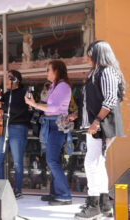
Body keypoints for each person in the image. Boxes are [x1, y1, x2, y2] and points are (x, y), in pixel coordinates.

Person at [69, 41, 125, 220]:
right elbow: (89, 102)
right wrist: (77, 114)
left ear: (98, 53)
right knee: (97, 163)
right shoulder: (95, 72)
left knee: (91, 163)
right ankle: (104, 205)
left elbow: (109, 99)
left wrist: (97, 121)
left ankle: (94, 205)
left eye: (90, 53)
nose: (87, 56)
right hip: (95, 124)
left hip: (102, 125)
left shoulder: (107, 71)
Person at [25, 60, 72, 206]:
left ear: (57, 71)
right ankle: (55, 193)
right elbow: (47, 106)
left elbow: (54, 107)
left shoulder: (63, 86)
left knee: (52, 160)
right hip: (50, 124)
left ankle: (64, 195)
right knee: (51, 160)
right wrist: (35, 104)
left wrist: (34, 104)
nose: (46, 73)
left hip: (57, 124)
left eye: (48, 70)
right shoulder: (54, 86)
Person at [0, 70, 30, 199]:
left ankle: (17, 189)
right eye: (6, 77)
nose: (6, 80)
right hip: (5, 129)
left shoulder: (24, 93)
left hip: (18, 128)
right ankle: (1, 188)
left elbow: (19, 110)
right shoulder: (5, 94)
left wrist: (1, 105)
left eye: (9, 78)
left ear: (17, 80)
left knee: (17, 162)